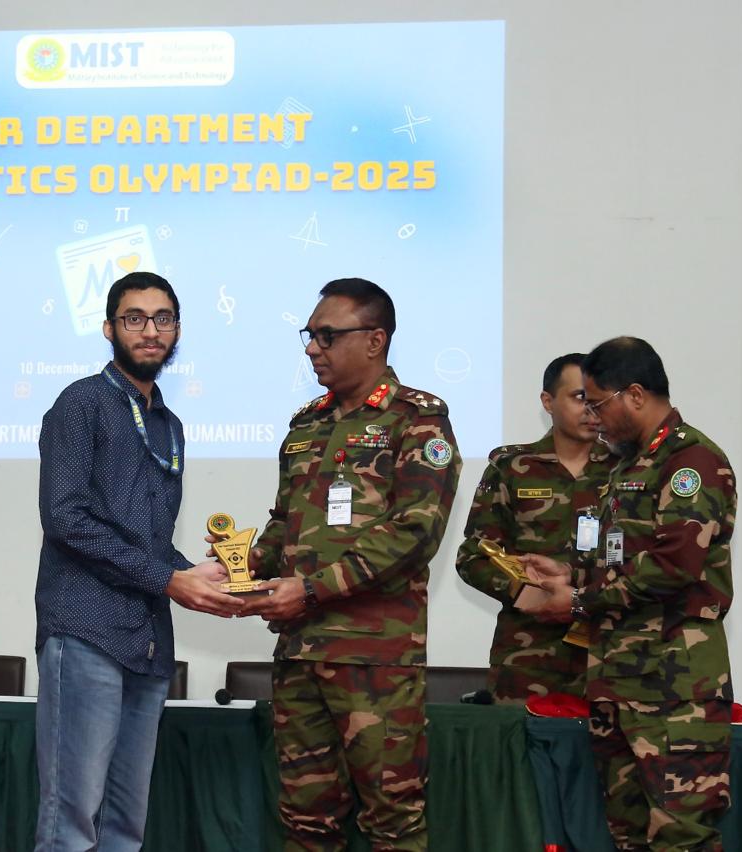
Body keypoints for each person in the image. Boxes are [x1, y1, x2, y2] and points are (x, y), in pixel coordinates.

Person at [240, 278, 461, 851]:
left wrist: (311, 590)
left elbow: (414, 532)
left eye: (327, 336)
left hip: (374, 659)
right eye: (309, 336)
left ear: (374, 340)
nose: (313, 348)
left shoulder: (418, 420)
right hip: (300, 652)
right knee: (305, 822)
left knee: (392, 822)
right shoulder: (306, 424)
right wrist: (240, 568)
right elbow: (286, 523)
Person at [33, 271, 244, 851]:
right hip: (86, 631)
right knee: (71, 822)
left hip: (148, 642)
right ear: (109, 328)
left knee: (126, 828)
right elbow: (66, 519)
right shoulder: (80, 403)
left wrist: (201, 576)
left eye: (163, 319)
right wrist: (169, 579)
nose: (150, 331)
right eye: (135, 318)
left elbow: (150, 540)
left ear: (177, 330)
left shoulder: (169, 425)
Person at [521, 336, 735, 851]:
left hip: (673, 685)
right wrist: (568, 572)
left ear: (635, 394)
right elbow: (620, 558)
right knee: (627, 836)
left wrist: (578, 602)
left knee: (681, 836)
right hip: (616, 681)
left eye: (599, 404)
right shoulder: (626, 466)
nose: (593, 418)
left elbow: (672, 565)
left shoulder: (691, 461)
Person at [454, 353, 614, 703]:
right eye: (579, 397)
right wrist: (529, 596)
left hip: (611, 656)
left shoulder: (627, 470)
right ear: (547, 401)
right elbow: (473, 558)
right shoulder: (512, 467)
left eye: (597, 398)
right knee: (520, 739)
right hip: (527, 659)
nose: (591, 409)